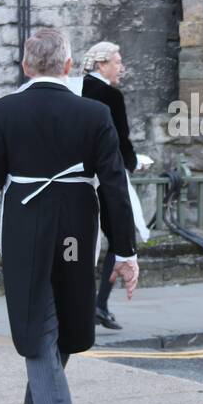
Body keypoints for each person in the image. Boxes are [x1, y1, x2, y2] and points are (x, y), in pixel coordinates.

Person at [0, 28, 139, 404]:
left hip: (28, 225)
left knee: (37, 321)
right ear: (68, 67)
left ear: (26, 66)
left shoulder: (3, 111)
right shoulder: (94, 113)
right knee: (61, 319)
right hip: (75, 230)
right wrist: (125, 251)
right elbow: (114, 186)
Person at [80, 41, 150, 331]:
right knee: (120, 236)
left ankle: (83, 304)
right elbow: (120, 140)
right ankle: (99, 304)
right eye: (117, 61)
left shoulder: (76, 89)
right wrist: (134, 163)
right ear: (101, 64)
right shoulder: (110, 95)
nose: (122, 67)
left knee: (80, 241)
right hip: (106, 178)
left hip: (76, 177)